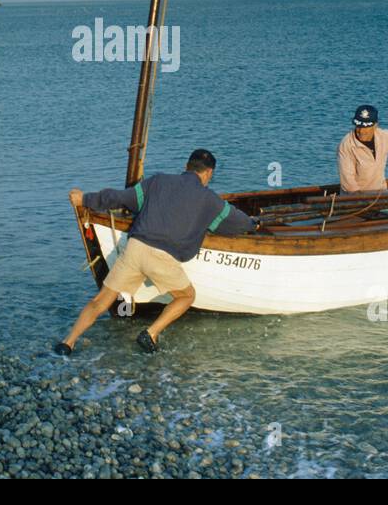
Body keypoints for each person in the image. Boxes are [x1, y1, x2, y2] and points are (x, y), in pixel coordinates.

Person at [58, 148, 256, 355]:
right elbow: (238, 222)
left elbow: (121, 197)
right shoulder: (210, 199)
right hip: (162, 258)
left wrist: (85, 199)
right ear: (209, 174)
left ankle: (67, 343)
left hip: (135, 249)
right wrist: (253, 223)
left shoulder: (158, 181)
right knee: (186, 296)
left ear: (186, 167)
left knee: (101, 301)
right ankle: (150, 333)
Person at [337, 104, 388, 192]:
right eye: (359, 126)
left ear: (375, 125)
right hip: (355, 196)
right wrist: (361, 199)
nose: (362, 131)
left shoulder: (383, 136)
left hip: (381, 192)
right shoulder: (346, 145)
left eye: (366, 127)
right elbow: (348, 181)